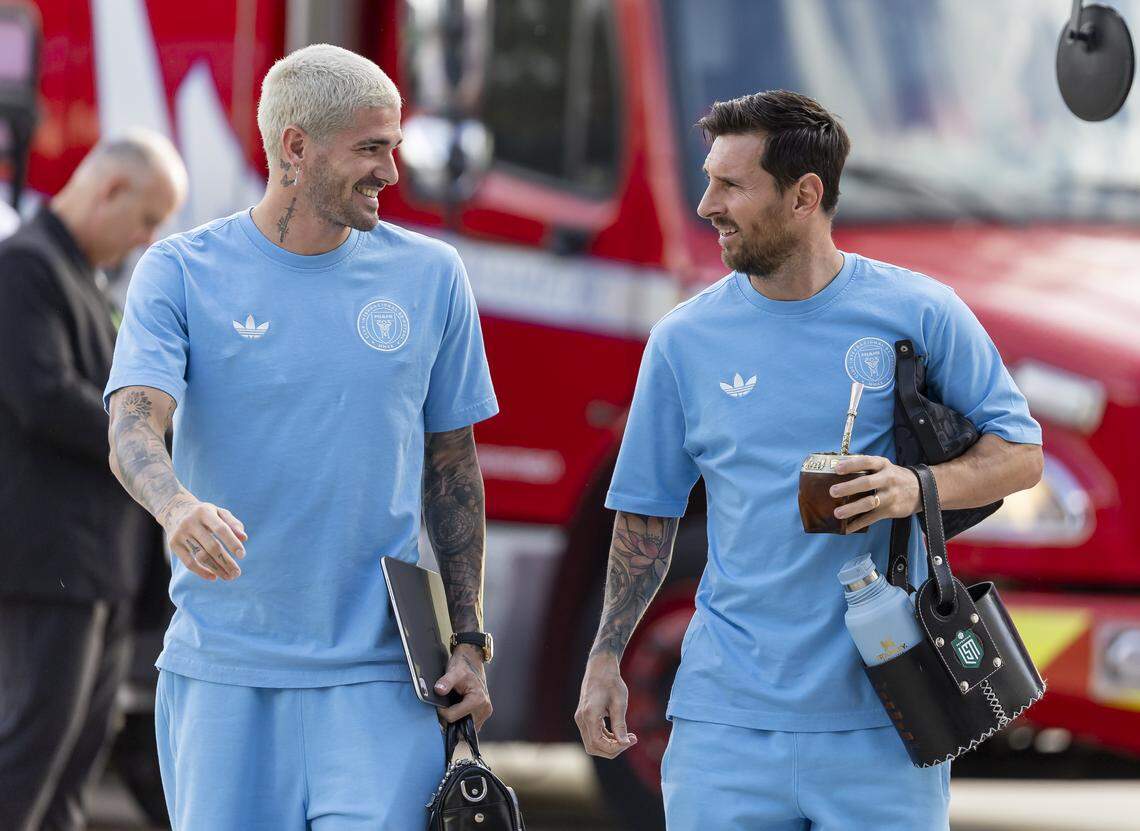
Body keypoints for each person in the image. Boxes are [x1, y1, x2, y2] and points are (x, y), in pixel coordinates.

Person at [575, 90, 1045, 830]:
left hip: (889, 719)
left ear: (804, 195)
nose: (707, 205)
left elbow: (1021, 455)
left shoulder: (920, 313)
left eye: (731, 185)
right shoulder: (682, 340)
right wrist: (606, 659)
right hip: (722, 726)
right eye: (708, 180)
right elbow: (647, 514)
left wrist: (912, 485)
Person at [104, 44, 498, 829]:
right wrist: (176, 506)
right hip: (224, 674)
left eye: (395, 144)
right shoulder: (180, 271)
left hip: (383, 679)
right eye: (370, 148)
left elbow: (451, 469)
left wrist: (471, 643)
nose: (392, 169)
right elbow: (132, 422)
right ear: (295, 147)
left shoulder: (433, 275)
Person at [0, 130, 187, 831]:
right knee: (30, 753)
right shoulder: (24, 267)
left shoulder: (82, 276)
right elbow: (42, 394)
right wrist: (144, 431)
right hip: (49, 564)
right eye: (146, 218)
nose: (147, 239)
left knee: (77, 759)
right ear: (109, 189)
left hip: (97, 568)